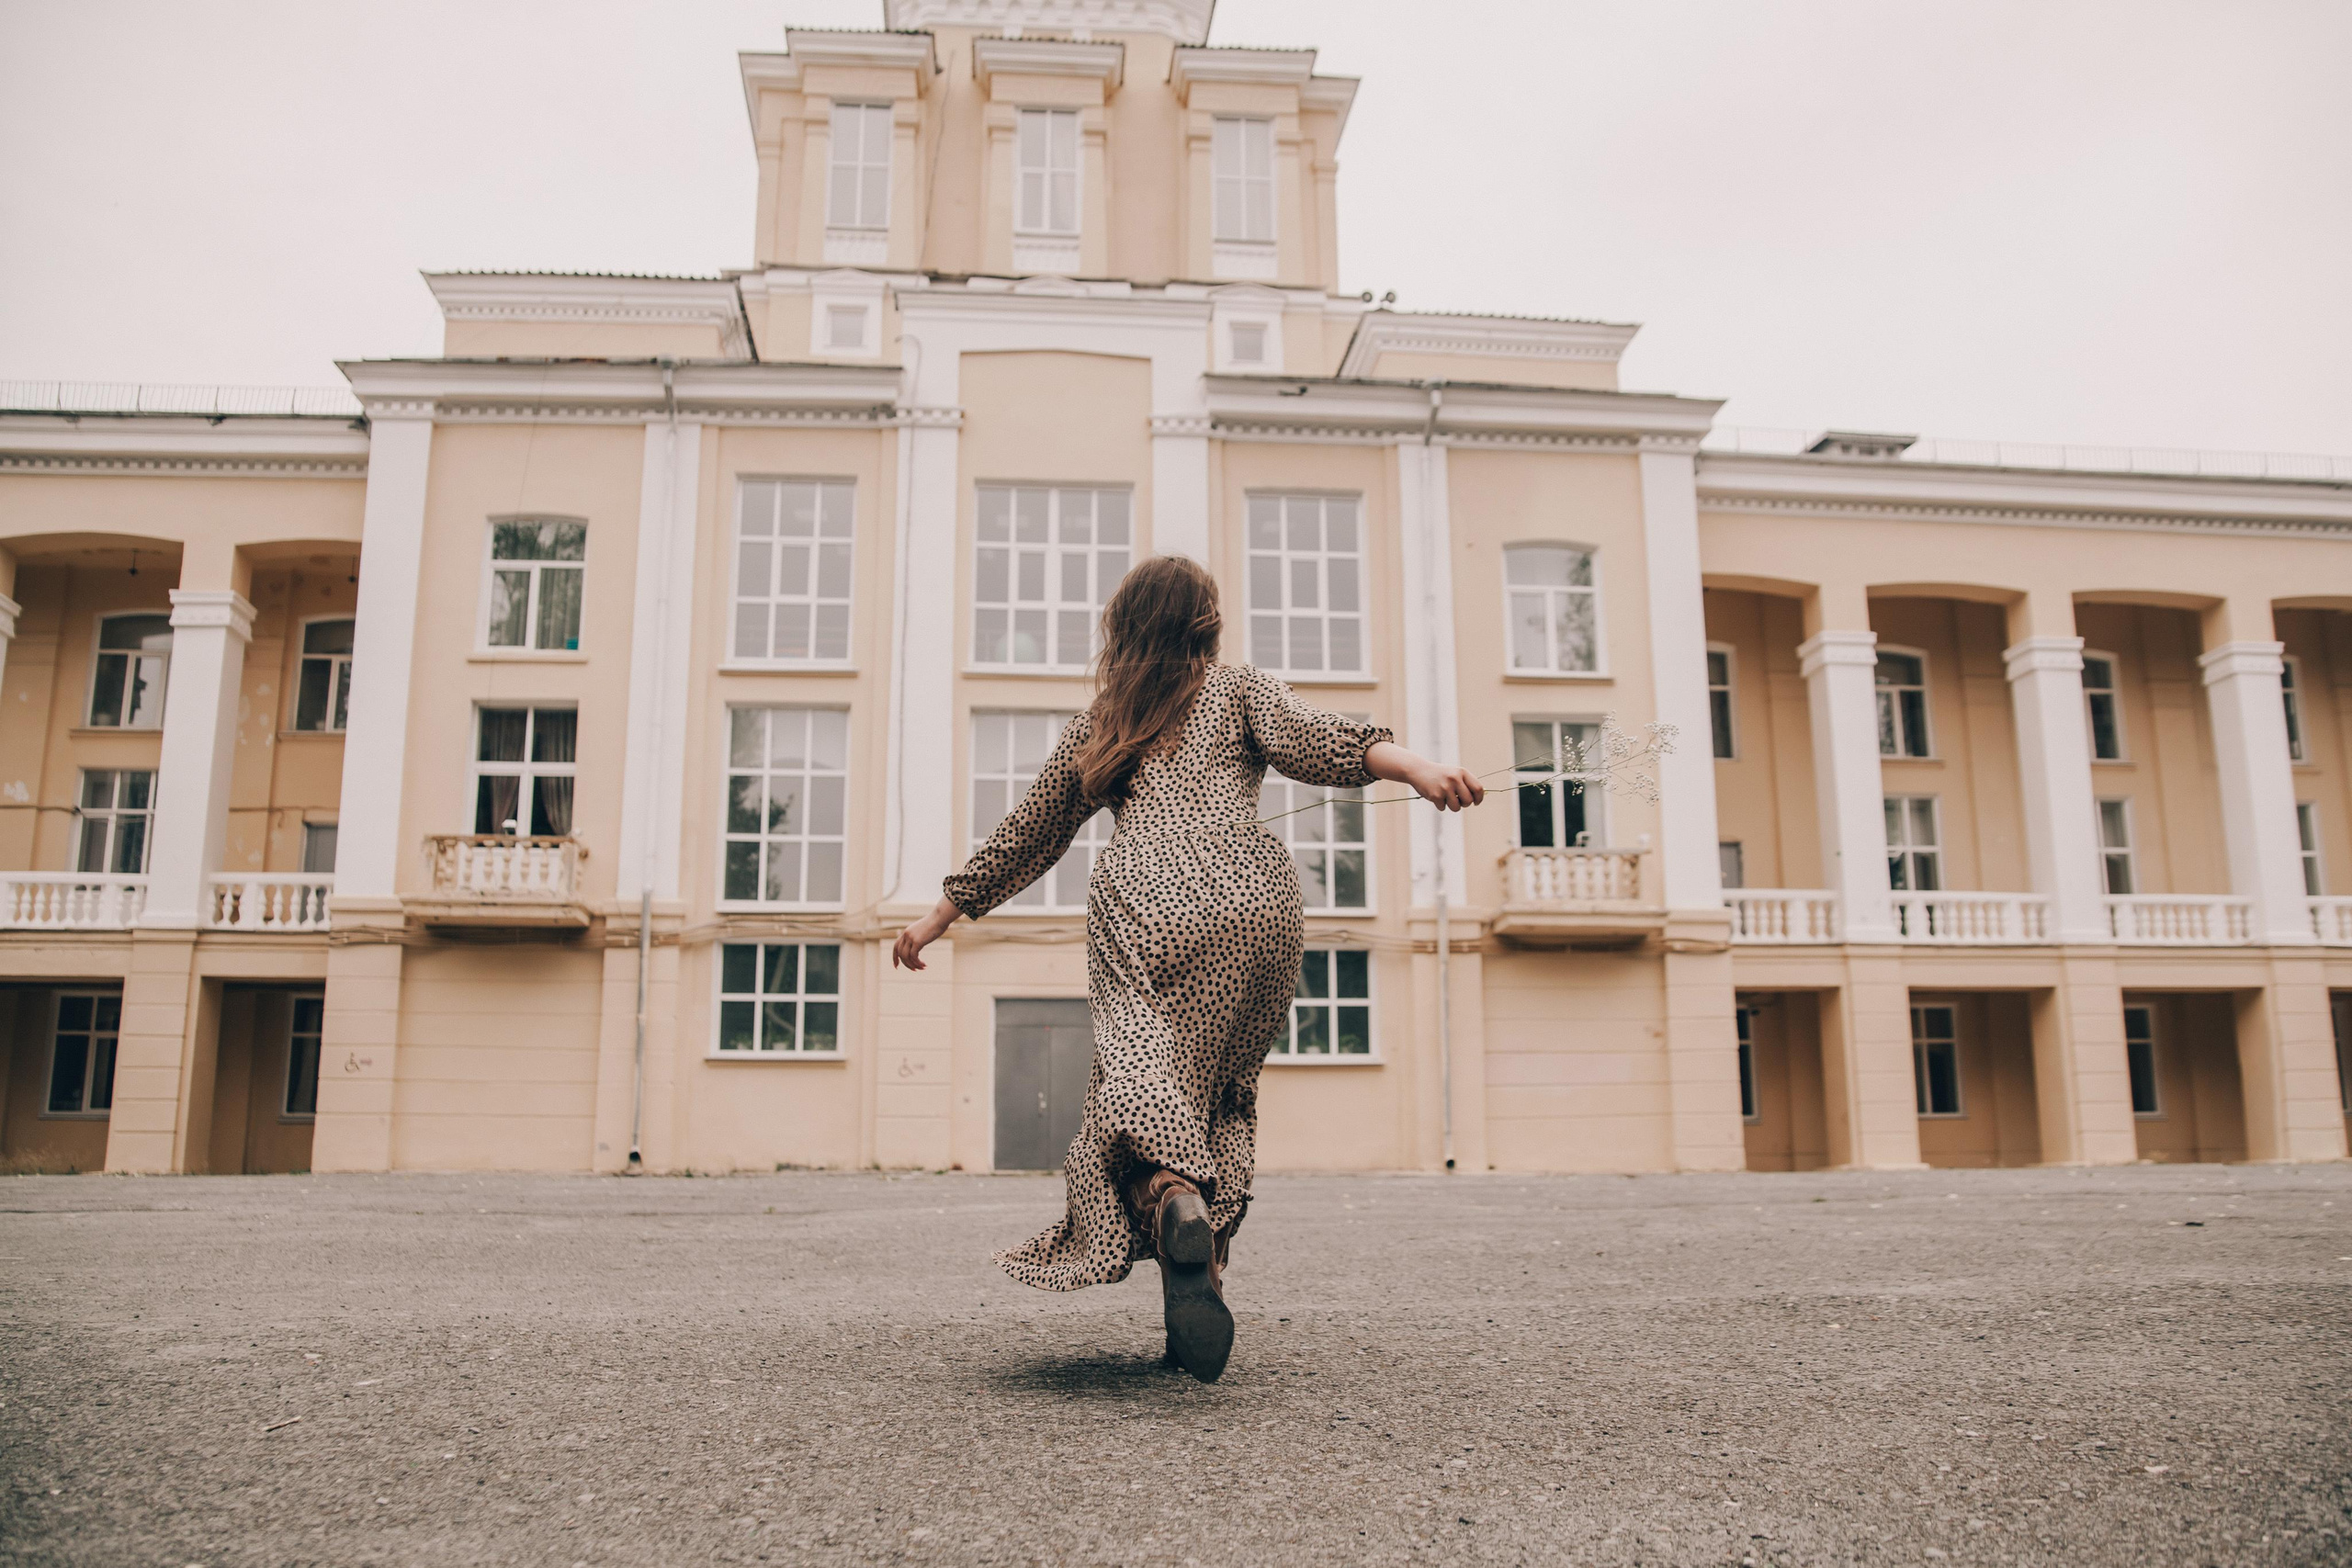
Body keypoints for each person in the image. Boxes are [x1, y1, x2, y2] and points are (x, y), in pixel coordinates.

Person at [892, 555, 1484, 1382]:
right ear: (1206, 623)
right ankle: (1195, 1286)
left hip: (1149, 899)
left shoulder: (1105, 720)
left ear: (1123, 627)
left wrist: (937, 916)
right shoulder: (1240, 690)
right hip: (1258, 898)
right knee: (1218, 1090)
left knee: (1138, 1084)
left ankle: (1171, 1191)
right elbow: (1322, 740)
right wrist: (1418, 767)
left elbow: (1029, 833)